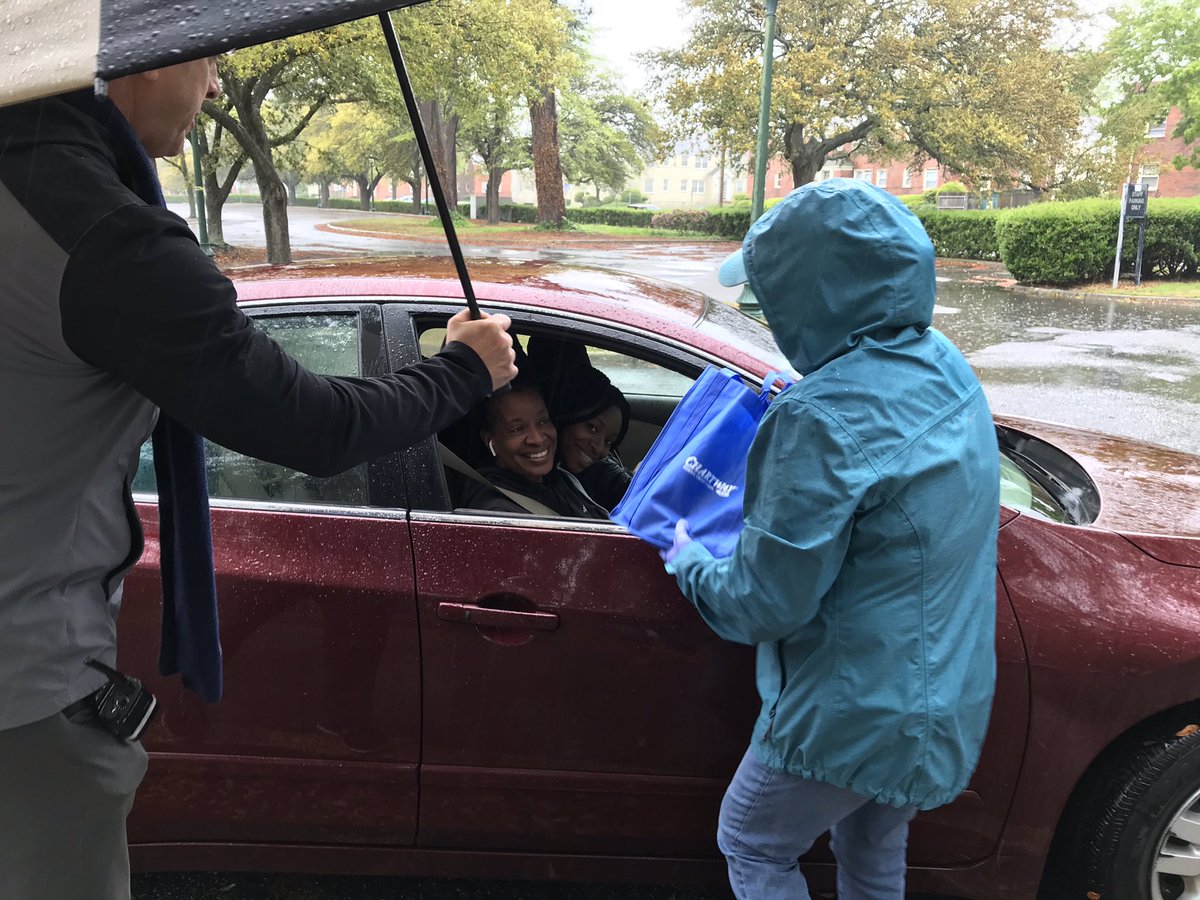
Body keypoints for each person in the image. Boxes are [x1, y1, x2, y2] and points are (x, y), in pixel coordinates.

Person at [0, 57, 516, 900]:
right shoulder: (100, 232)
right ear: (141, 50)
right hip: (23, 683)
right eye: (206, 61)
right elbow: (311, 425)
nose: (212, 90)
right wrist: (460, 372)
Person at [661, 178, 1000, 898]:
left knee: (751, 840)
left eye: (771, 291)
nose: (765, 310)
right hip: (945, 696)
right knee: (873, 845)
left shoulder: (819, 417)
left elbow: (763, 604)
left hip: (854, 709)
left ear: (810, 293)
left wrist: (687, 556)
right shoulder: (944, 365)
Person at [460, 379, 608, 519]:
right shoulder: (500, 513)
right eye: (517, 429)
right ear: (490, 441)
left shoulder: (558, 478)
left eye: (543, 421)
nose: (537, 439)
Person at [526, 335, 633, 511]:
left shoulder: (594, 469)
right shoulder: (535, 479)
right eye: (591, 427)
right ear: (564, 415)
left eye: (609, 442)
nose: (598, 448)